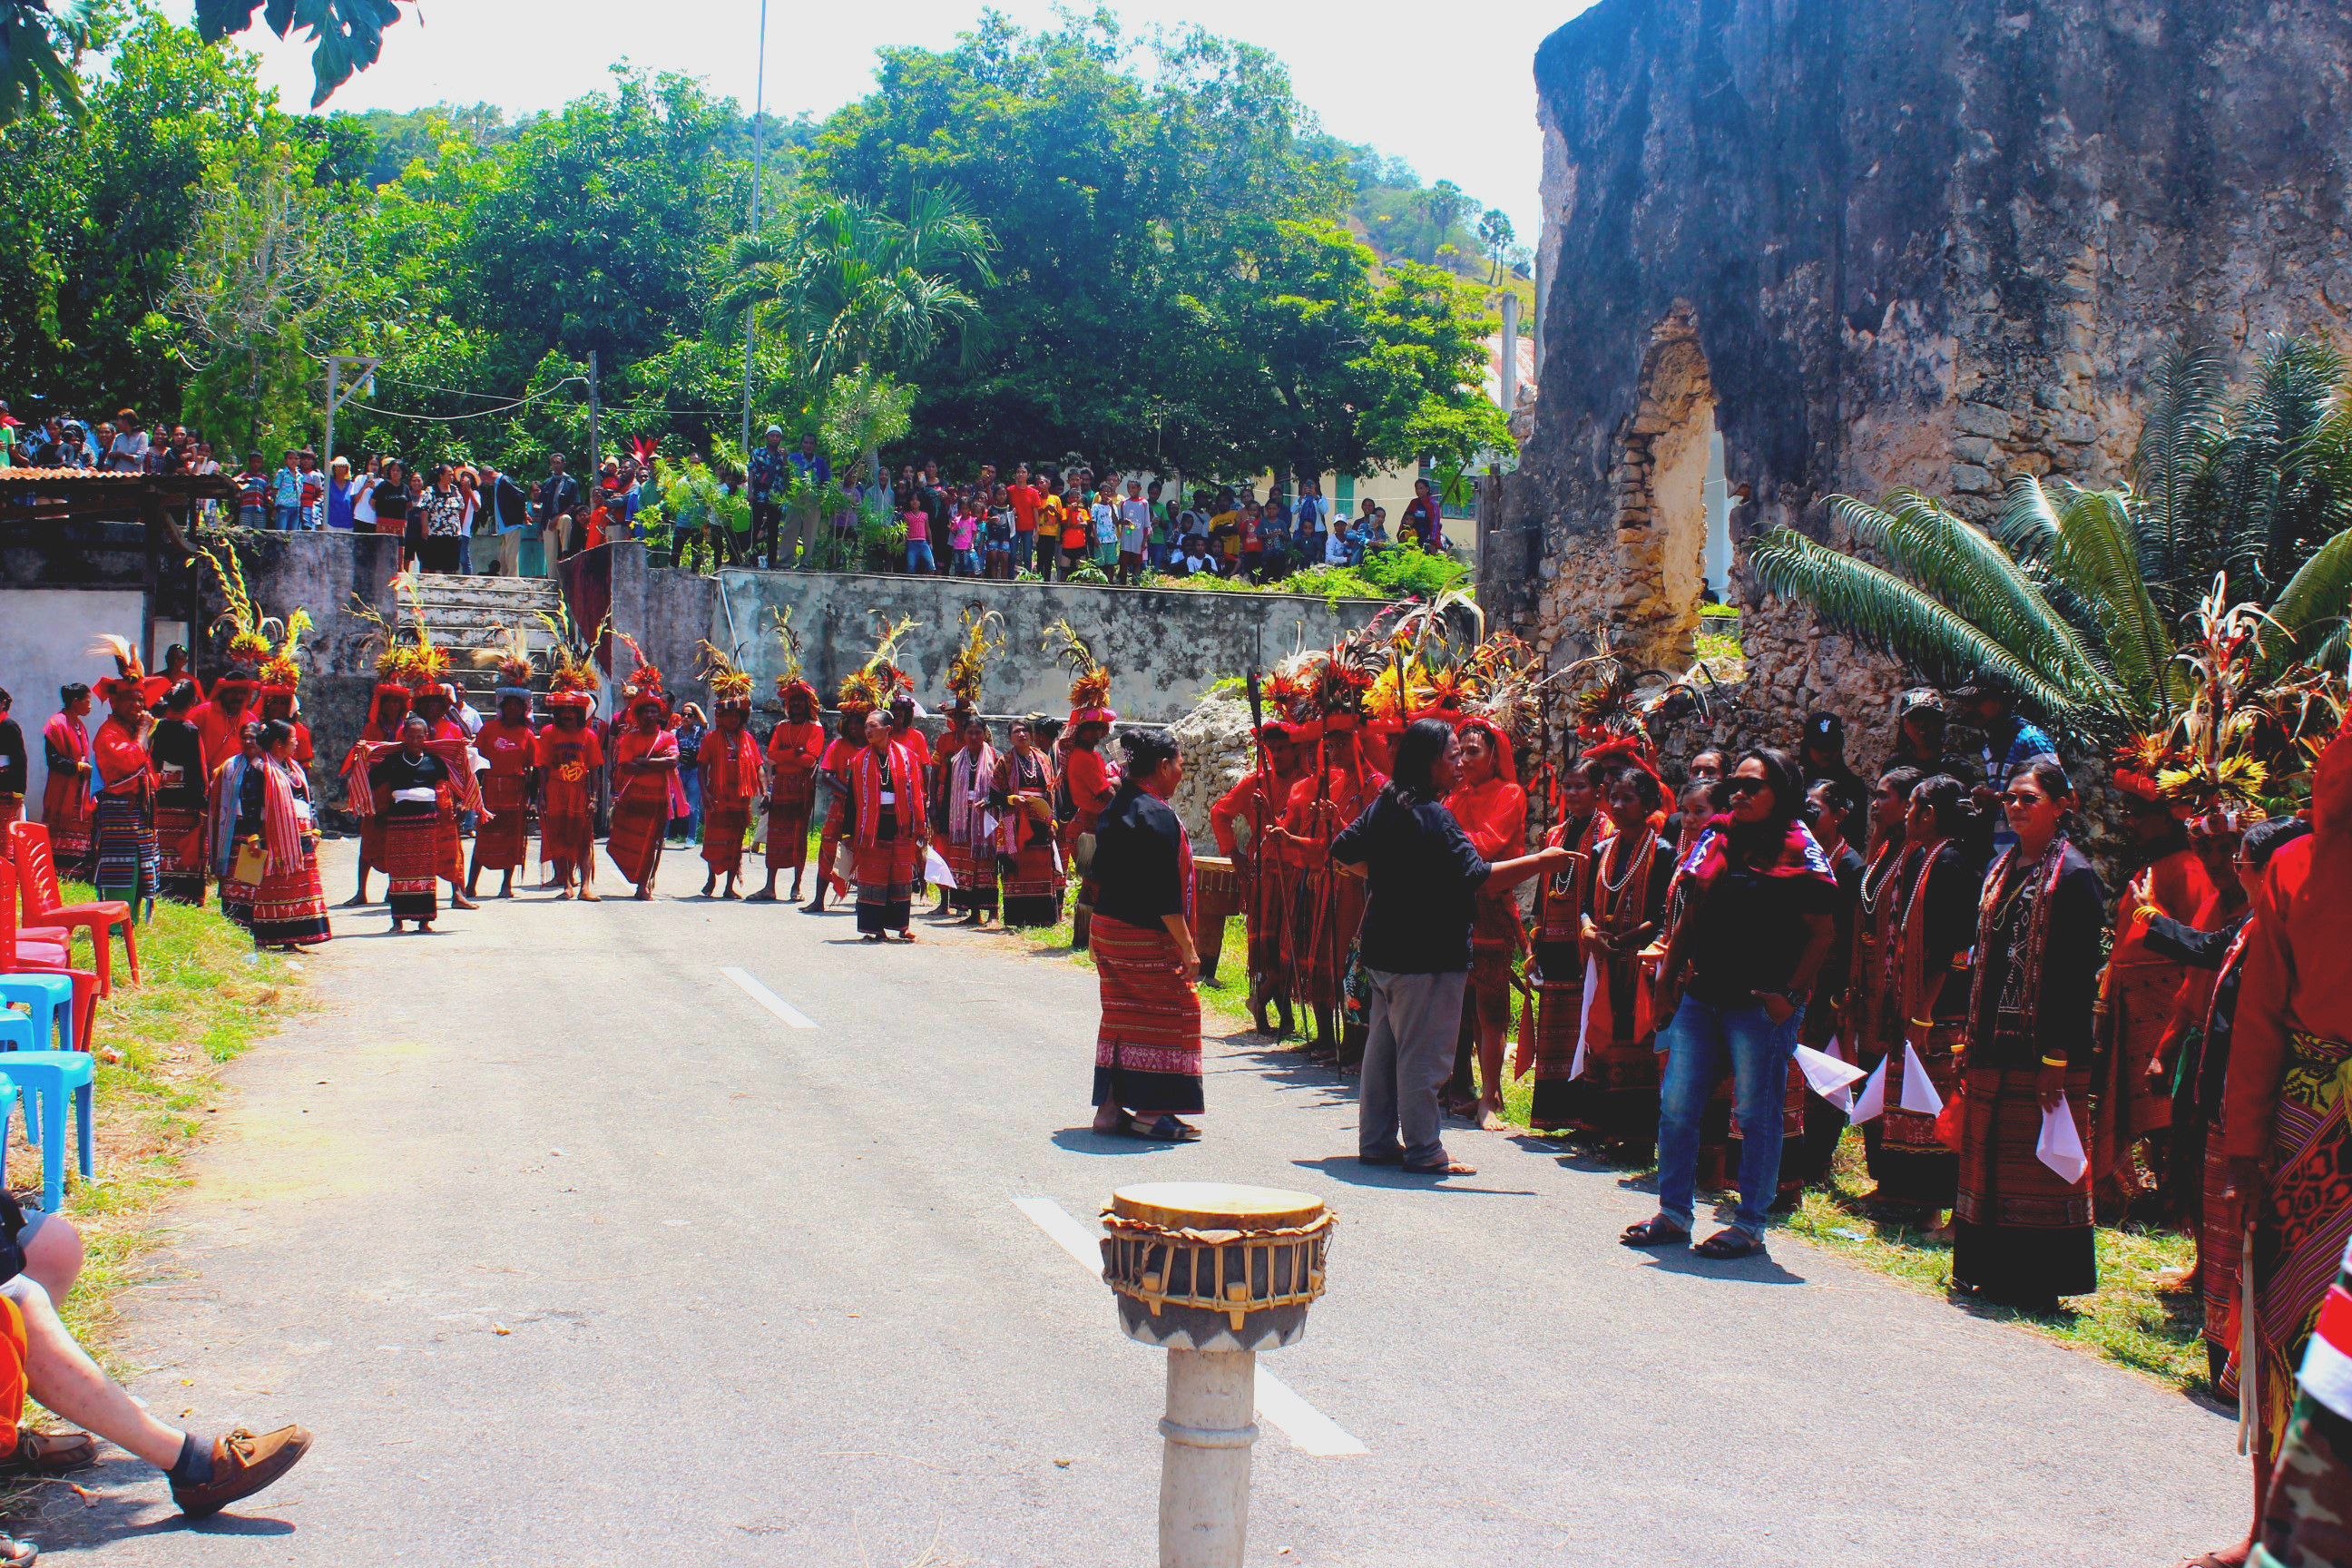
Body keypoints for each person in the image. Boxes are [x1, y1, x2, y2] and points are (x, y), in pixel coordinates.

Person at [2213, 716, 2352, 1563]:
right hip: (2308, 1127)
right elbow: (2260, 1020)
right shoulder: (2296, 867)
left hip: (2305, 1119)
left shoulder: (2299, 864)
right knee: (2287, 1326)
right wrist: (2243, 1151)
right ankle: (2270, 1531)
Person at [1332, 718, 1572, 1176]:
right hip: (1427, 955)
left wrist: (1387, 879)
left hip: (1384, 951)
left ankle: (1377, 1141)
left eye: (1463, 754)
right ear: (1429, 762)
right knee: (1422, 1058)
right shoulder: (1435, 815)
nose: (1458, 764)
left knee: (1383, 1054)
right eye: (1451, 755)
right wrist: (1540, 861)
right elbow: (1478, 877)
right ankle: (1424, 1148)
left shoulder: (1386, 802)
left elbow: (1343, 849)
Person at [1624, 749, 1839, 1259]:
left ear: (1780, 794)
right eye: (1734, 786)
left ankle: (1749, 1225)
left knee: (1755, 1113)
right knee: (1677, 1104)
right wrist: (1667, 980)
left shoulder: (1800, 850)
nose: (1738, 794)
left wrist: (1789, 997)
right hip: (1703, 995)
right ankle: (1674, 1213)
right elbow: (1692, 917)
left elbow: (1822, 934)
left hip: (1760, 1006)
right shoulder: (1716, 838)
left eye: (1752, 786)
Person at [2133, 815, 2307, 1387]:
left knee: (2245, 1228)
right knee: (2217, 1214)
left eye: (2238, 858)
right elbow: (2206, 954)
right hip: (2228, 1091)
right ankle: (2226, 1354)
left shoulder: (2285, 935)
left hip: (2255, 1102)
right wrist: (2148, 916)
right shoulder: (2252, 924)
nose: (2227, 868)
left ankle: (2244, 1361)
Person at [1952, 758, 2105, 1308]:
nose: (2016, 806)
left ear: (2061, 806)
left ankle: (2036, 1281)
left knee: (2035, 1165)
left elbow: (2076, 973)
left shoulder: (2075, 875)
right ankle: (1986, 1269)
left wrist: (2057, 1057)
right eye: (2010, 798)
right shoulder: (2002, 867)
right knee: (1990, 1154)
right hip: (1993, 1040)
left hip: (2044, 1046)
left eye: (2029, 798)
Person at [1537, 763, 1674, 1145]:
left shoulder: (1662, 852)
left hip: (1638, 962)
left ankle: (1635, 1137)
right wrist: (1588, 930)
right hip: (1602, 960)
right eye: (1613, 797)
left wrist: (1625, 938)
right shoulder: (1602, 850)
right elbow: (1584, 904)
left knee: (1636, 1041)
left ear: (1648, 805)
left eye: (1627, 799)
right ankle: (1597, 1126)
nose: (1617, 805)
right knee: (1600, 1038)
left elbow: (1662, 913)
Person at [1083, 728, 1210, 1140]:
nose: (1180, 772)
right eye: (1178, 764)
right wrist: (1188, 948)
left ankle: (1109, 1111)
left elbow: (1098, 872)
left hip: (1108, 927)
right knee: (1175, 1011)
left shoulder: (1117, 806)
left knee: (1122, 1014)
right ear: (1162, 766)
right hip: (1142, 934)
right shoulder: (1156, 814)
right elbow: (1163, 893)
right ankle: (1153, 1112)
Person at [1861, 774, 1977, 1223]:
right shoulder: (1922, 856)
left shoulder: (1948, 862)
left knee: (1932, 1100)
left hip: (1939, 1005)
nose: (1907, 814)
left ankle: (1931, 1205)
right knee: (1908, 1100)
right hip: (1914, 1001)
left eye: (1912, 806)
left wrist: (1924, 1013)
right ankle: (1905, 1194)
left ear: (1928, 815)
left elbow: (1948, 948)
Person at [2093, 787, 2215, 1216]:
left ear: (2167, 817)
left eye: (2139, 813)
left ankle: (2175, 1196)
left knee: (2164, 1109)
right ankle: (2162, 1191)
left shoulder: (2188, 869)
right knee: (2149, 1108)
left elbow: (2196, 945)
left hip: (2163, 1004)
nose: (2131, 822)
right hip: (2137, 1001)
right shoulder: (2160, 866)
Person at [1444, 717, 1528, 1131]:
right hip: (1451, 906)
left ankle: (1490, 1097)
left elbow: (1490, 844)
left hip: (1490, 907)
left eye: (1473, 751)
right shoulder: (1454, 796)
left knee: (1490, 1007)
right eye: (1459, 752)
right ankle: (1469, 1088)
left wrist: (1446, 842)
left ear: (1495, 755)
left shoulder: (1511, 793)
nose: (1464, 760)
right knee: (1457, 1003)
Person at [1210, 720, 1308, 1037]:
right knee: (1267, 949)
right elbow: (1220, 813)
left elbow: (1290, 829)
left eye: (1282, 749)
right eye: (1272, 749)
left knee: (1288, 947)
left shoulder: (1306, 783)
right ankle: (1274, 1016)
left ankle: (1264, 1003)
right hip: (1263, 876)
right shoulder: (1256, 782)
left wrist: (1268, 814)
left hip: (1294, 873)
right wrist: (1233, 853)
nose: (1276, 755)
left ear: (1295, 750)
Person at [238, 720, 329, 950]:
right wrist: (252, 837)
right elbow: (249, 804)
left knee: (299, 886)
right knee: (273, 887)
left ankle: (293, 939)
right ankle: (272, 938)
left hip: (301, 837)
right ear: (279, 743)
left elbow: (309, 801)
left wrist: (315, 829)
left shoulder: (295, 769)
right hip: (273, 837)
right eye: (293, 739)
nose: (297, 743)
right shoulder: (259, 769)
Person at [85, 638, 159, 916]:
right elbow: (129, 761)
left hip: (138, 810)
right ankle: (116, 921)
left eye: (141, 699)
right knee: (121, 865)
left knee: (141, 863)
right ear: (114, 702)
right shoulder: (109, 733)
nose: (137, 705)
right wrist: (143, 732)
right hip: (119, 809)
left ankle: (133, 918)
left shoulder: (130, 729)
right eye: (131, 699)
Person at [839, 710, 926, 942]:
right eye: (866, 726)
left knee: (900, 877)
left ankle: (901, 926)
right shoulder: (860, 760)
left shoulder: (908, 757)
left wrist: (921, 824)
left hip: (900, 824)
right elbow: (852, 799)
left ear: (888, 729)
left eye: (873, 726)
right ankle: (875, 928)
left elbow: (917, 793)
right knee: (873, 877)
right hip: (871, 826)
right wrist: (848, 832)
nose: (868, 730)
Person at [369, 716, 454, 932]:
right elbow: (372, 779)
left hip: (426, 821)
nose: (415, 741)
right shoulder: (392, 761)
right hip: (399, 820)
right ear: (404, 737)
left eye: (419, 737)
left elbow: (454, 777)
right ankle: (397, 921)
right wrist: (364, 754)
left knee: (425, 868)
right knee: (399, 869)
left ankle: (424, 921)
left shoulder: (435, 762)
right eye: (410, 736)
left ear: (426, 737)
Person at [607, 674, 681, 901]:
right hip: (633, 798)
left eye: (653, 711)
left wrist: (643, 761)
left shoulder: (667, 737)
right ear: (638, 715)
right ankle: (636, 877)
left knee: (650, 845)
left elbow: (672, 762)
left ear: (659, 715)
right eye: (645, 711)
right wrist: (656, 764)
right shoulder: (629, 739)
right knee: (625, 840)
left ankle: (642, 886)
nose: (649, 715)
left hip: (657, 799)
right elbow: (627, 767)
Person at [753, 676, 826, 903]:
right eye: (792, 700)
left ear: (808, 703)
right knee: (775, 835)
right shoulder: (781, 727)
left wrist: (787, 754)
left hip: (802, 788)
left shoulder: (815, 728)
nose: (795, 704)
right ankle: (769, 886)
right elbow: (772, 756)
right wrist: (796, 751)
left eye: (799, 700)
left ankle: (797, 885)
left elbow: (809, 760)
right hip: (781, 786)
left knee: (798, 836)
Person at [534, 661, 603, 900]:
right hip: (556, 790)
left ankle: (585, 887)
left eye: (572, 711)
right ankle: (566, 884)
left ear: (580, 713)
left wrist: (594, 798)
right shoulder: (548, 733)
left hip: (580, 790)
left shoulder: (589, 735)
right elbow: (542, 767)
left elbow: (594, 770)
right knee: (560, 838)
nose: (568, 715)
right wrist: (541, 796)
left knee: (583, 839)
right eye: (563, 710)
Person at [696, 664, 765, 900]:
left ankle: (728, 886)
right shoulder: (710, 739)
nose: (733, 718)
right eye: (729, 715)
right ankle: (711, 879)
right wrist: (704, 793)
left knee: (735, 844)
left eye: (737, 715)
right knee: (714, 841)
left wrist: (764, 792)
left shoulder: (748, 740)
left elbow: (759, 766)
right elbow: (701, 767)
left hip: (740, 800)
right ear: (722, 717)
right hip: (718, 797)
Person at [990, 715, 1063, 928]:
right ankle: (1018, 918)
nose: (1021, 734)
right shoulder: (1004, 762)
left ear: (1031, 735)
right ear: (1010, 737)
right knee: (1017, 869)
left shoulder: (1043, 759)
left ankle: (1042, 918)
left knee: (1041, 867)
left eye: (1025, 730)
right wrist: (1011, 799)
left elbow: (1051, 793)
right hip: (1013, 821)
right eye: (1016, 732)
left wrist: (1053, 822)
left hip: (1041, 818)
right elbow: (993, 794)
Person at [467, 682, 536, 900]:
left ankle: (506, 885)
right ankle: (470, 885)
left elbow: (533, 767)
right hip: (490, 790)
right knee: (484, 837)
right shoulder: (488, 729)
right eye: (509, 705)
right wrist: (473, 794)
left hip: (515, 791)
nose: (513, 709)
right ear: (502, 707)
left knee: (511, 839)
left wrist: (533, 800)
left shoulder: (527, 734)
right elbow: (477, 761)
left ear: (523, 710)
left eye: (518, 705)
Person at [39, 683, 93, 877]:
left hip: (79, 789)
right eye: (87, 701)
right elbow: (53, 760)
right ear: (75, 701)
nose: (90, 706)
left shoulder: (79, 725)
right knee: (60, 830)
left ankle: (76, 870)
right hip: (62, 789)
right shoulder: (56, 725)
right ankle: (58, 871)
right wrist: (78, 767)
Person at [0, 687, 24, 828]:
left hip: (4, 789)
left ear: (3, 703)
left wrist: (18, 792)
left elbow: (19, 760)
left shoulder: (9, 726)